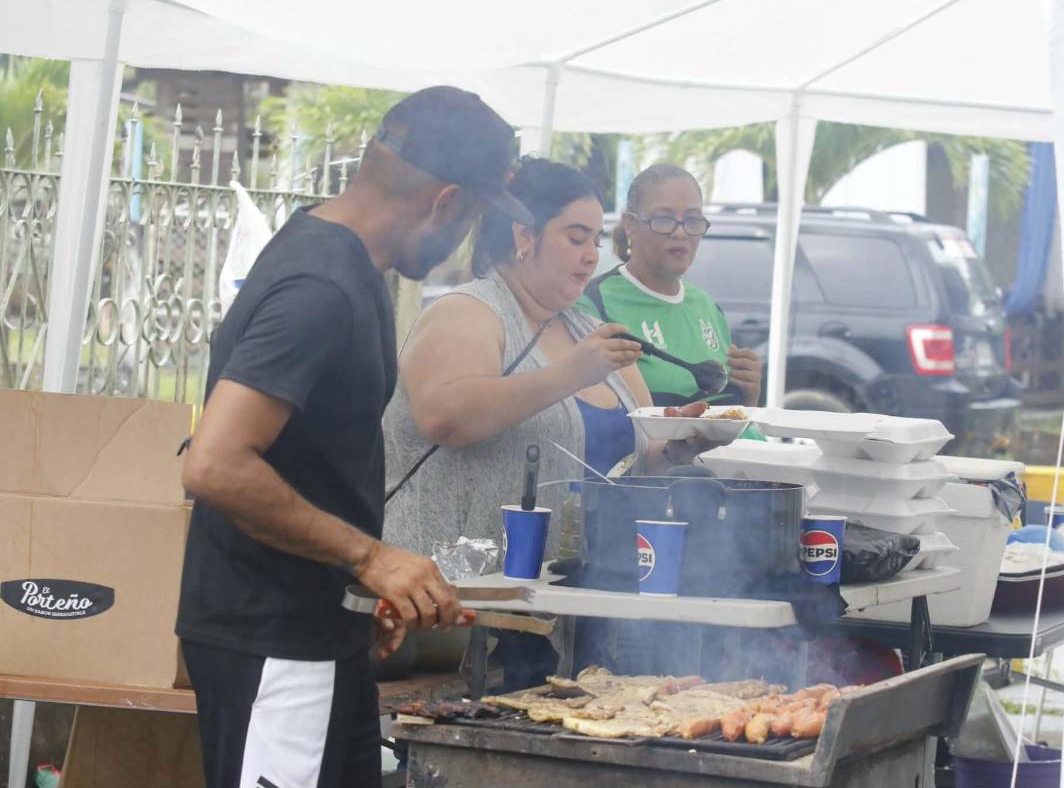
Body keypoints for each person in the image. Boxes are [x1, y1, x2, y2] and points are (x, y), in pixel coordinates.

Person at [176, 87, 530, 788]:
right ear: (446, 201)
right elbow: (213, 463)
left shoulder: (344, 261)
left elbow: (303, 456)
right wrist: (369, 558)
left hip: (316, 629)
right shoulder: (320, 284)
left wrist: (354, 584)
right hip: (272, 641)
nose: (465, 238)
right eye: (474, 219)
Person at [383, 157, 706, 560]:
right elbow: (446, 418)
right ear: (525, 236)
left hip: (565, 591)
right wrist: (571, 373)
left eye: (596, 242)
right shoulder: (466, 312)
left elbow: (631, 458)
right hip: (449, 593)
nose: (591, 256)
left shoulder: (589, 330)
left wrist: (677, 448)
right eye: (576, 238)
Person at [578, 163, 763, 409]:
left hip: (734, 448)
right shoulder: (595, 304)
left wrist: (749, 393)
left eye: (693, 220)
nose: (680, 233)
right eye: (664, 219)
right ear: (630, 224)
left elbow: (729, 411)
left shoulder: (707, 306)